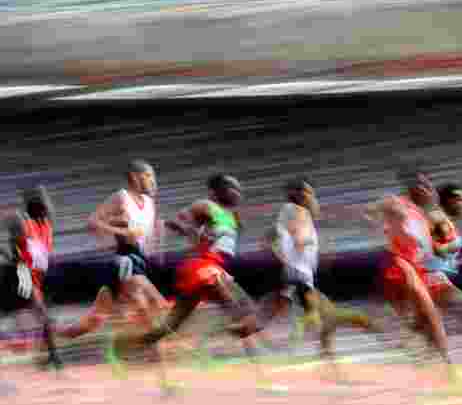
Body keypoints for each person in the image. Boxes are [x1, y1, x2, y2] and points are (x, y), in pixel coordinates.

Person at [112, 175, 263, 388]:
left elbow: (223, 241)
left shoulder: (234, 217)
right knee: (241, 307)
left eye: (239, 189)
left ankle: (127, 346)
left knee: (168, 327)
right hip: (200, 267)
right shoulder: (206, 205)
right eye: (231, 188)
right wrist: (189, 229)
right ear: (215, 192)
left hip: (212, 269)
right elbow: (177, 220)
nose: (237, 192)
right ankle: (234, 324)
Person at [263, 178, 380, 381]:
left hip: (300, 278)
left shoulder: (293, 213)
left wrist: (289, 253)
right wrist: (306, 244)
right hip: (299, 279)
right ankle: (286, 357)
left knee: (328, 319)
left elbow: (272, 238)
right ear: (300, 195)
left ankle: (328, 366)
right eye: (310, 193)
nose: (313, 198)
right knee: (318, 320)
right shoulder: (298, 212)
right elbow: (294, 240)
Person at [61, 160, 170, 340]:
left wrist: (158, 240)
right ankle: (156, 356)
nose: (153, 181)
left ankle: (55, 336)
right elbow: (92, 222)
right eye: (148, 176)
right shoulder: (121, 197)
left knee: (95, 319)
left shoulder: (150, 204)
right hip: (125, 258)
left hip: (139, 260)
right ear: (135, 177)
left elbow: (147, 242)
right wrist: (121, 231)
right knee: (152, 302)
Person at [365, 166, 456, 376]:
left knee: (422, 319)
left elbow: (425, 250)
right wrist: (383, 224)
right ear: (413, 187)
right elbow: (372, 210)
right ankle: (448, 366)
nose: (428, 190)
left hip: (414, 267)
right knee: (430, 315)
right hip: (399, 266)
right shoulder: (397, 203)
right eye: (423, 185)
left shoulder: (421, 216)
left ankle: (424, 359)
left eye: (429, 185)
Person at [1, 186, 62, 373]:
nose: (48, 206)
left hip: (37, 276)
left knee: (40, 314)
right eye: (43, 202)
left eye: (47, 202)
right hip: (22, 273)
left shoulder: (46, 223)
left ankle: (52, 356)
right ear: (33, 205)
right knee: (41, 312)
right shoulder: (22, 222)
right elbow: (15, 250)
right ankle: (54, 357)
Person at [423, 183, 462, 334]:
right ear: (449, 200)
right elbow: (431, 248)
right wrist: (461, 243)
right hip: (430, 277)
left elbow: (448, 258)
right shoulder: (436, 217)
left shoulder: (447, 223)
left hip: (437, 277)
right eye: (459, 200)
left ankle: (432, 342)